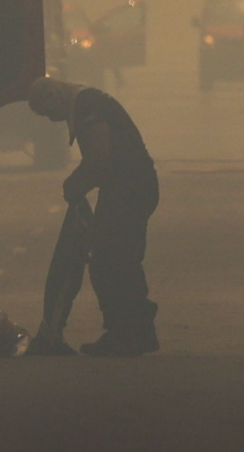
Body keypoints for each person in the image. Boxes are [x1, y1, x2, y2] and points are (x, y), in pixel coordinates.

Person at [24, 76, 161, 357]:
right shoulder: (89, 102)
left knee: (110, 261)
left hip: (129, 189)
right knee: (119, 259)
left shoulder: (88, 107)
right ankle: (136, 331)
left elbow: (99, 156)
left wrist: (76, 183)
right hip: (129, 188)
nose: (52, 120)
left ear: (55, 97)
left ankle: (126, 333)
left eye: (49, 112)